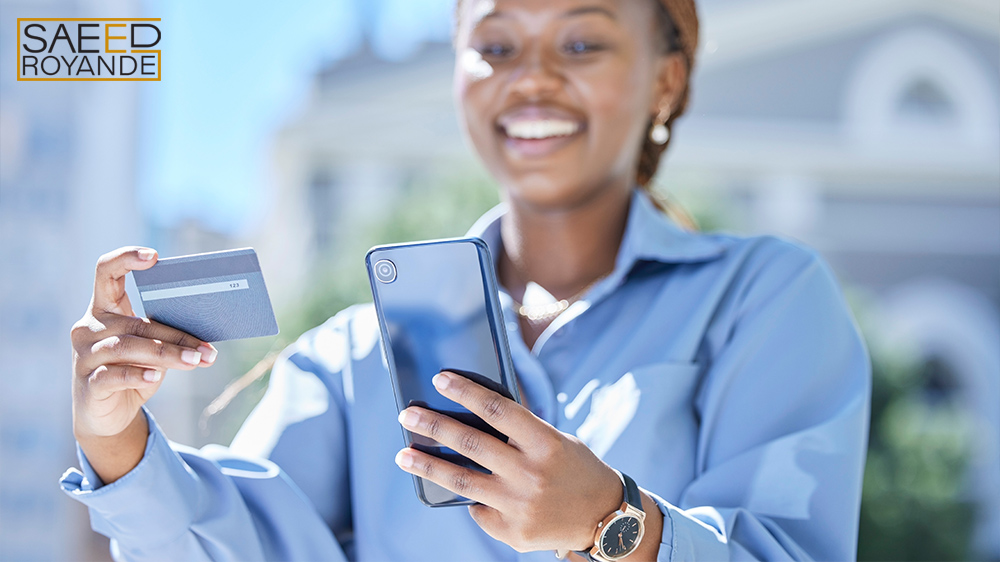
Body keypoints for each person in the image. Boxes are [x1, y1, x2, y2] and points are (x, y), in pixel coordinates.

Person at [62, 0, 871, 560]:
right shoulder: (354, 352)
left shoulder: (763, 300)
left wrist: (614, 524)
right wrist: (114, 437)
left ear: (666, 78)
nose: (533, 78)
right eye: (495, 45)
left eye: (582, 43)